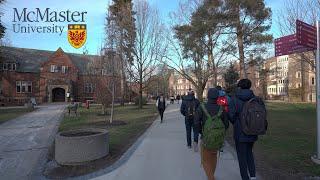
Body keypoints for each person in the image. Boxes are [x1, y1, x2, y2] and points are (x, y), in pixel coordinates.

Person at [194, 88, 227, 180]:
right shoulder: (221, 108)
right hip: (217, 139)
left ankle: (211, 178)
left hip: (206, 138)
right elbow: (226, 124)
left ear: (208, 96)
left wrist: (201, 132)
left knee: (205, 160)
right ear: (217, 97)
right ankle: (211, 175)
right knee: (213, 157)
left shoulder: (202, 107)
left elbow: (196, 123)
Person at [228, 79, 258, 180]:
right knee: (249, 153)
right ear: (249, 86)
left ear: (239, 86)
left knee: (241, 156)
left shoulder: (234, 98)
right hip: (252, 130)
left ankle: (245, 177)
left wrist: (236, 123)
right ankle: (253, 176)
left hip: (240, 131)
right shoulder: (255, 98)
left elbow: (231, 116)